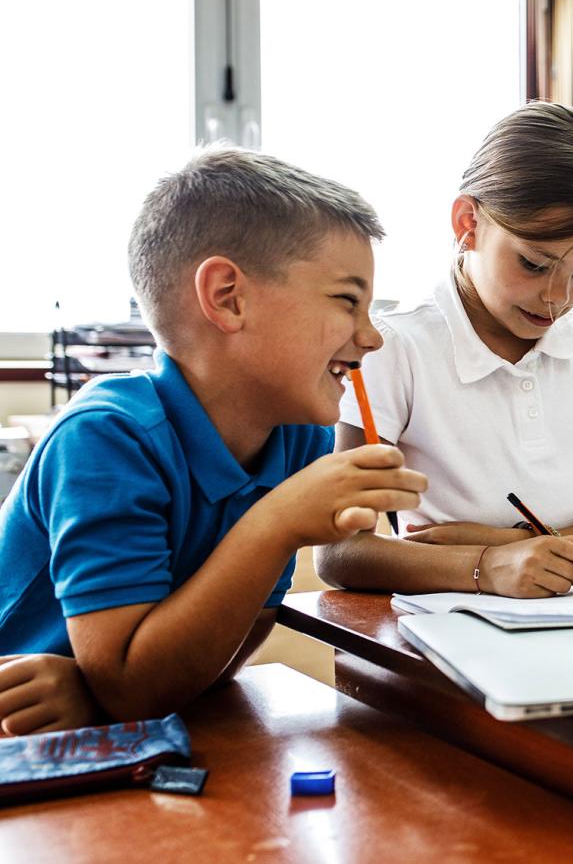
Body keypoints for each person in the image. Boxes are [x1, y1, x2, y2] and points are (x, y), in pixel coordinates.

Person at [0, 148, 425, 729]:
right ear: (228, 297)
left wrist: (102, 695)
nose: (372, 337)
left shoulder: (299, 440)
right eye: (347, 302)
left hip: (116, 737)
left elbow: (218, 659)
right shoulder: (107, 439)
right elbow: (131, 690)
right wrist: (277, 522)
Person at [316, 103, 573, 597]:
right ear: (467, 222)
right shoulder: (393, 347)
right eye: (534, 264)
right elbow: (341, 551)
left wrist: (508, 544)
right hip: (445, 629)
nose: (557, 298)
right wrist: (487, 565)